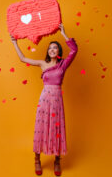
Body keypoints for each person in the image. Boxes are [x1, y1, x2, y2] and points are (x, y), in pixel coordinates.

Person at [10, 23, 78, 176]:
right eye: (50, 48)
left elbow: (74, 50)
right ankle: (37, 159)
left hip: (57, 101)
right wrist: (14, 42)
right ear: (48, 51)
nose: (52, 49)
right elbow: (22, 58)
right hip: (45, 98)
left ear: (59, 51)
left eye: (55, 48)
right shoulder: (42, 64)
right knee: (41, 128)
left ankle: (57, 160)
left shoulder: (62, 65)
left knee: (56, 127)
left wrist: (64, 33)